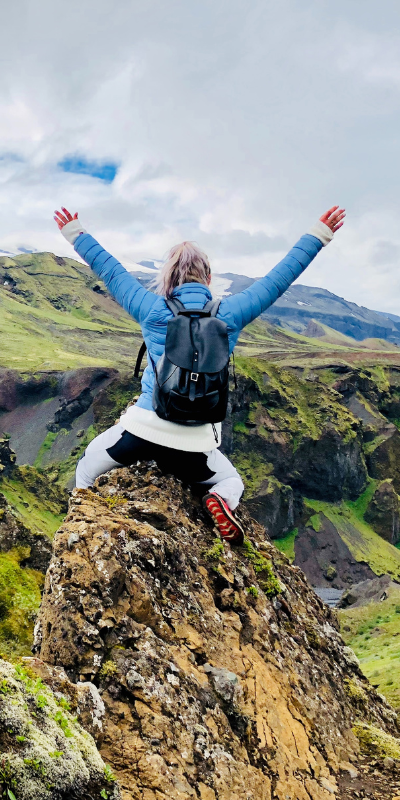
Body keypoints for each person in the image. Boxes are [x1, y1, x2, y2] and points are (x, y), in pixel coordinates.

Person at [54, 204, 345, 544]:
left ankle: (83, 532)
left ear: (168, 279)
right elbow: (278, 280)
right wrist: (319, 235)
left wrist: (75, 233)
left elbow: (112, 271)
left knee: (87, 468)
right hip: (194, 447)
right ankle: (218, 500)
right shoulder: (231, 313)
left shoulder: (150, 308)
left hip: (141, 432)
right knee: (231, 481)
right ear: (208, 279)